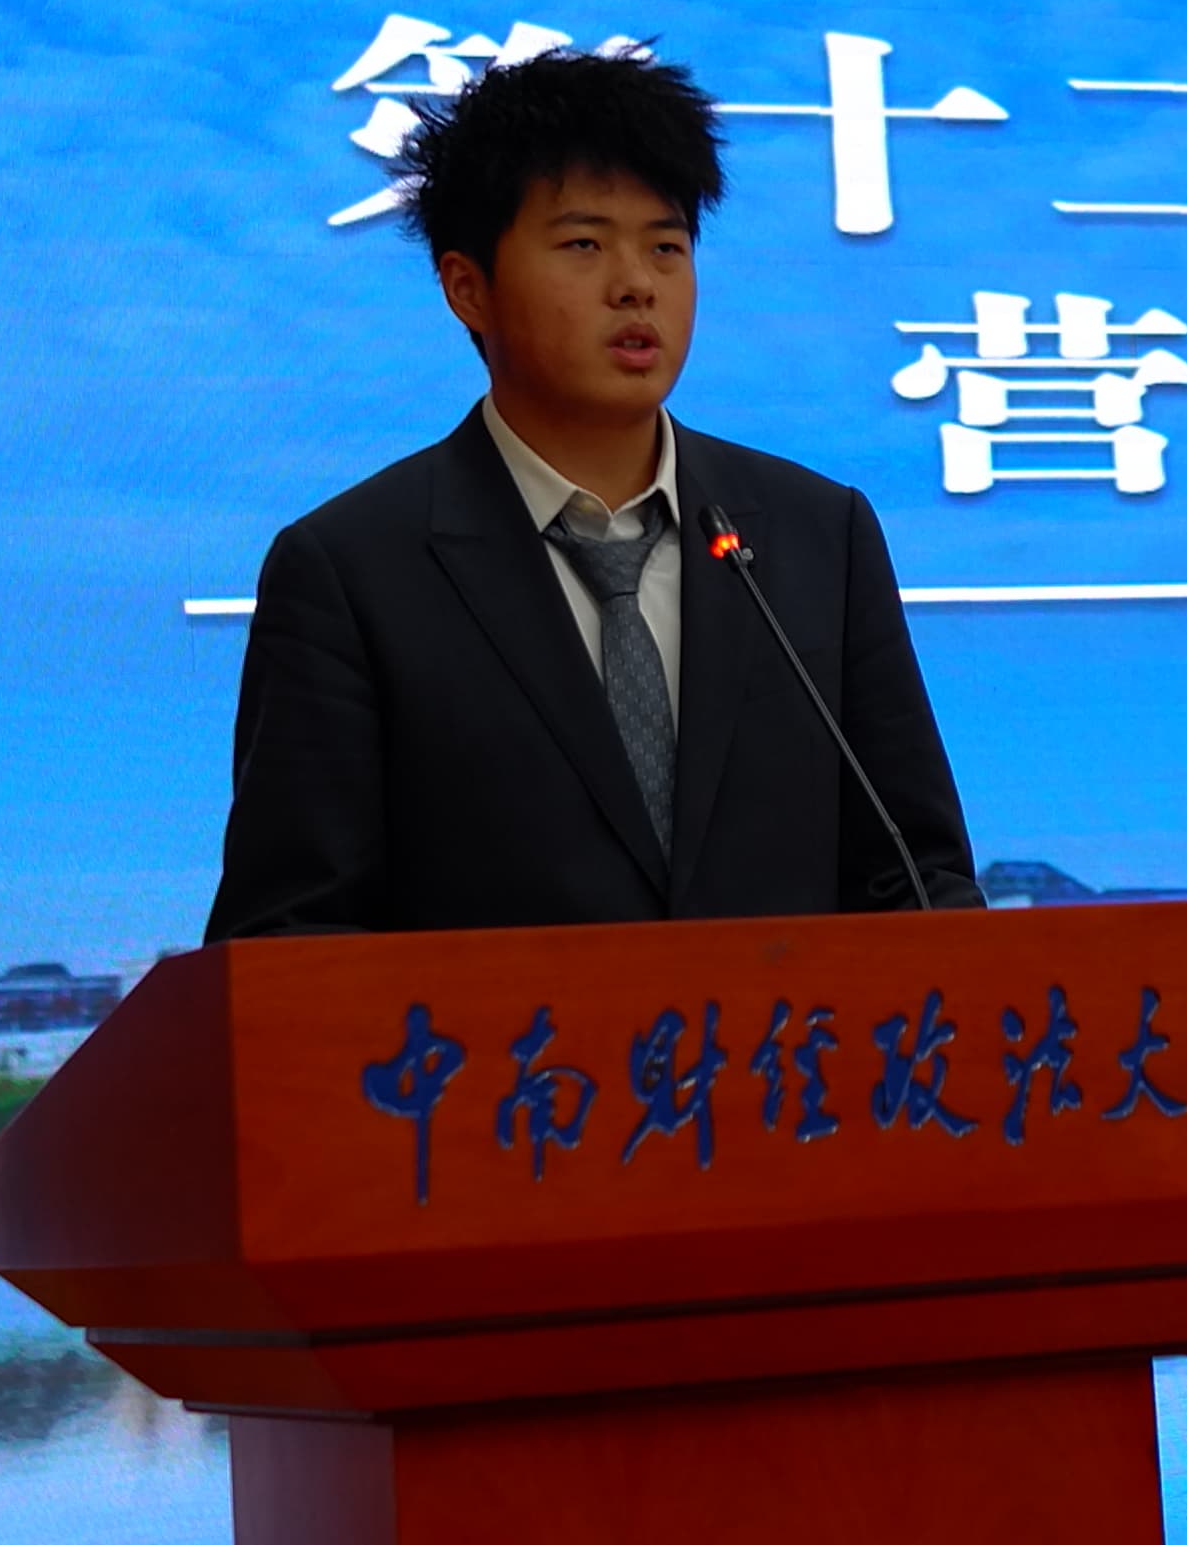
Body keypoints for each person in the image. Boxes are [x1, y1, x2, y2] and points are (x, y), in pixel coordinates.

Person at [204, 47, 977, 939]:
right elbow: (291, 939)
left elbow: (917, 880)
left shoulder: (817, 536)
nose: (637, 284)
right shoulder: (352, 571)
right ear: (468, 288)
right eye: (584, 244)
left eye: (666, 247)